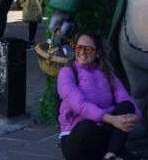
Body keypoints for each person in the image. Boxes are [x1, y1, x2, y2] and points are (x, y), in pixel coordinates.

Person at [57, 30, 141, 160]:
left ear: (98, 53)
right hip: (77, 138)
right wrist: (112, 120)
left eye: (88, 49)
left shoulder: (107, 73)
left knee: (127, 106)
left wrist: (136, 116)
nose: (82, 52)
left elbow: (124, 97)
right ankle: (120, 153)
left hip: (102, 131)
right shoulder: (67, 72)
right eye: (78, 47)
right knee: (87, 126)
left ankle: (110, 154)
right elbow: (81, 106)